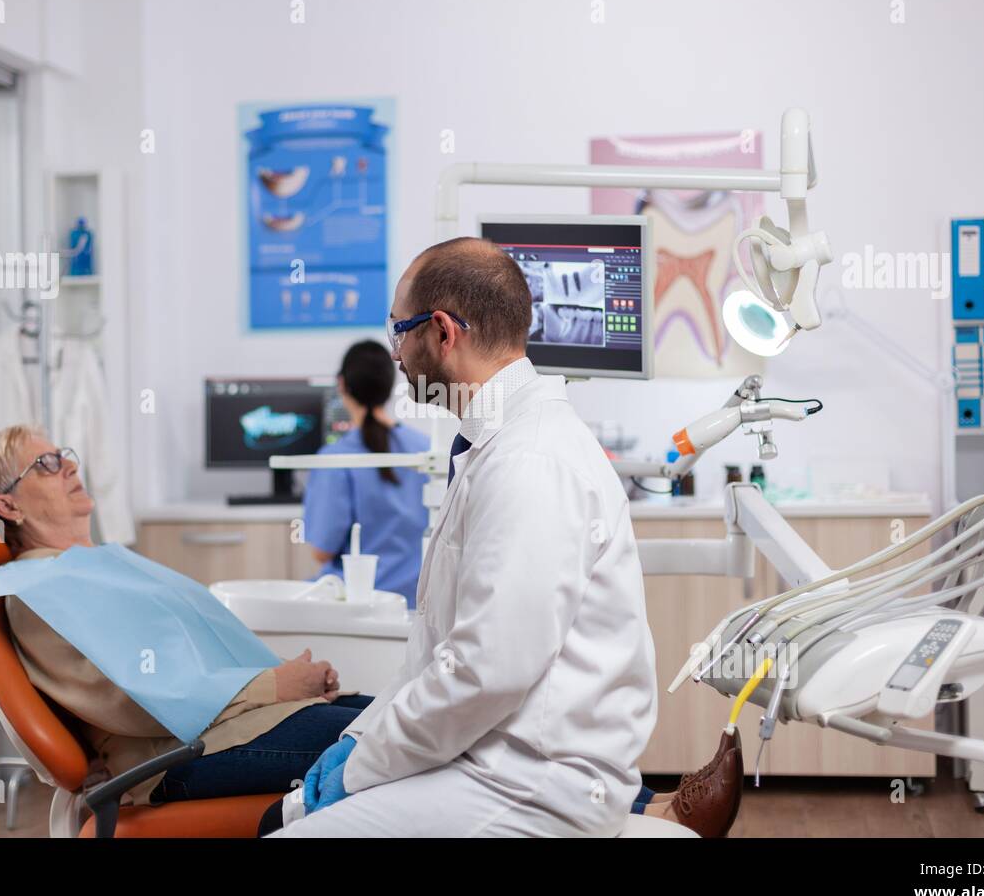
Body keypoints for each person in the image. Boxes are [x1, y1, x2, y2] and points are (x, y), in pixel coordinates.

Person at [271, 237, 687, 837]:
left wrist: (359, 770)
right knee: (281, 817)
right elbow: (437, 649)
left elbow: (484, 673)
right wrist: (359, 739)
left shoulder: (529, 461)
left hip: (531, 783)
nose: (396, 353)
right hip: (488, 756)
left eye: (398, 331)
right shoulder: (491, 447)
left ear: (442, 332)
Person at [0, 424, 375, 812]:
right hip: (179, 757)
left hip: (237, 725)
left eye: (64, 455)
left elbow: (197, 651)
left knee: (404, 717)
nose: (68, 467)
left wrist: (288, 678)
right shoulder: (36, 593)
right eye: (45, 464)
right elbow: (136, 695)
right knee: (398, 741)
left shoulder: (87, 565)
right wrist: (277, 685)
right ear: (7, 505)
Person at [302, 340, 430, 606]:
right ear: (390, 387)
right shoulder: (426, 449)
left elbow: (322, 552)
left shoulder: (335, 460)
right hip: (414, 602)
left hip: (355, 602)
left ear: (342, 385)